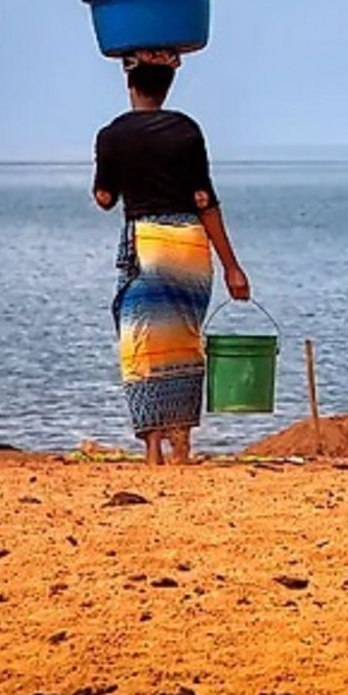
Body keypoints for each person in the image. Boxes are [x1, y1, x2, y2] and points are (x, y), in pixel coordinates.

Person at [92, 51, 249, 466]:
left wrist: (113, 180)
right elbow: (205, 201)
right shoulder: (187, 131)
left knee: (143, 346)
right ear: (168, 86)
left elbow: (105, 199)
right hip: (191, 250)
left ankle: (152, 451)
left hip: (149, 244)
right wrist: (232, 265)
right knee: (184, 343)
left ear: (131, 85)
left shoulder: (111, 136)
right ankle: (182, 447)